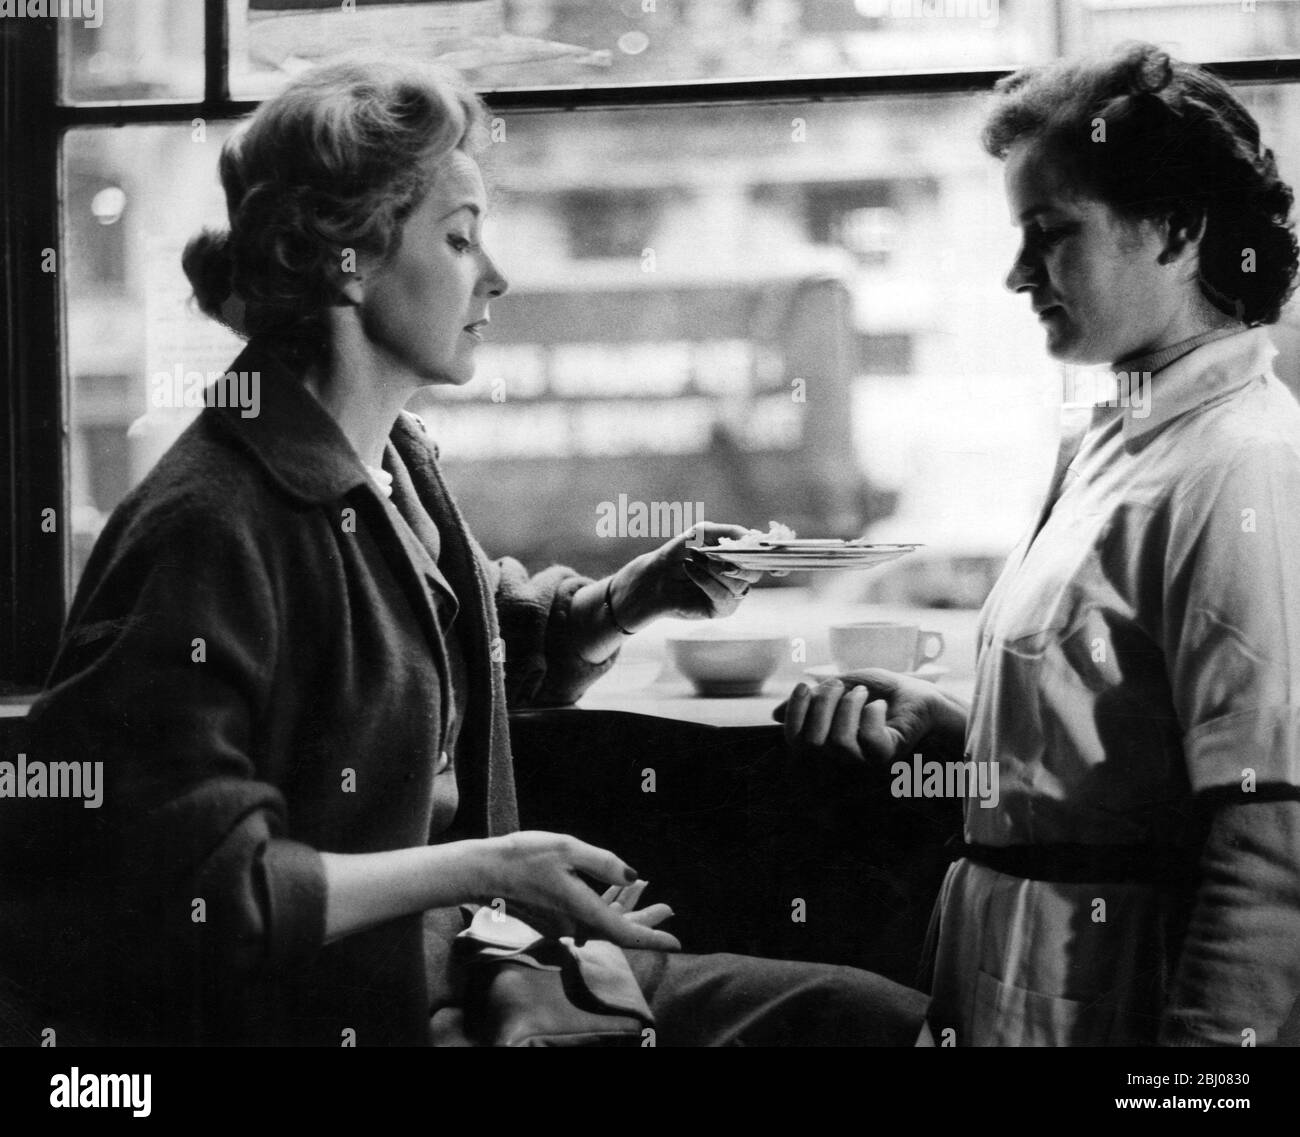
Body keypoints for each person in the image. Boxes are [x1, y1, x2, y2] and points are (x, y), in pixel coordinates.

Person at [0, 55, 928, 1047]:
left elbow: (454, 650)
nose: (497, 274)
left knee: (876, 1021)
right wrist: (492, 871)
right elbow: (193, 892)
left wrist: (629, 598)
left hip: (480, 966)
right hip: (368, 1013)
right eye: (458, 237)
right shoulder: (210, 526)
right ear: (345, 260)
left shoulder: (394, 462)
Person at [782, 42, 1300, 1046]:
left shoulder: (1244, 467)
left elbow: (1271, 841)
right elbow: (1123, 729)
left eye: (1050, 234)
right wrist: (960, 727)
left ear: (1177, 231)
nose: (1019, 275)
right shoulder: (1114, 444)